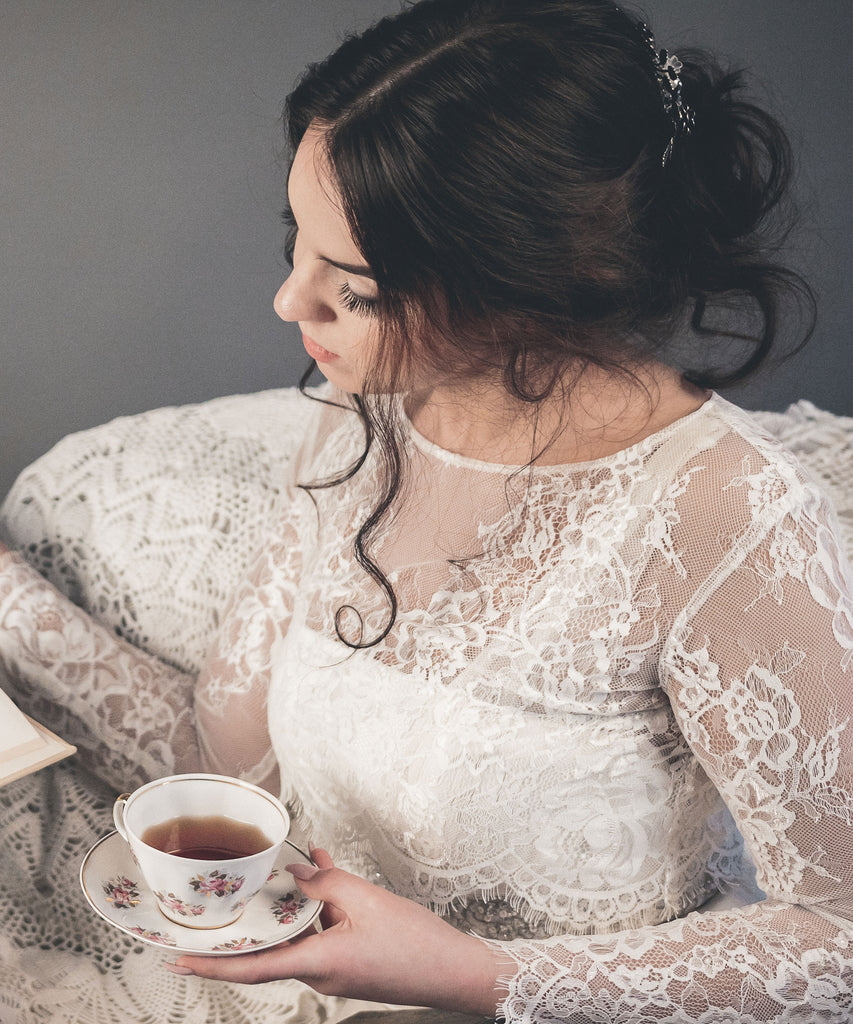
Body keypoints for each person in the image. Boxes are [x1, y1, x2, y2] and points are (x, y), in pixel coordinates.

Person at [0, 0, 851, 1020]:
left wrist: (474, 974)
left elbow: (837, 933)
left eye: (353, 286)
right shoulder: (362, 423)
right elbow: (226, 775)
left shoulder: (731, 516)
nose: (289, 304)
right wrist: (11, 599)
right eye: (295, 242)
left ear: (539, 281)